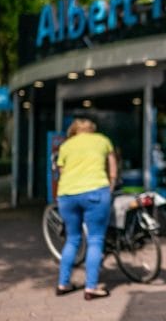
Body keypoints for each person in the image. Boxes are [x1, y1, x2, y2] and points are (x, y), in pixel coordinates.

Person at [55, 118, 117, 300]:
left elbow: (61, 172)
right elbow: (112, 169)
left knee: (72, 239)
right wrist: (110, 187)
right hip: (95, 192)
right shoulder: (102, 140)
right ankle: (91, 287)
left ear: (74, 131)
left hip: (67, 195)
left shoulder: (66, 145)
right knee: (95, 239)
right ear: (92, 129)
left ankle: (63, 284)